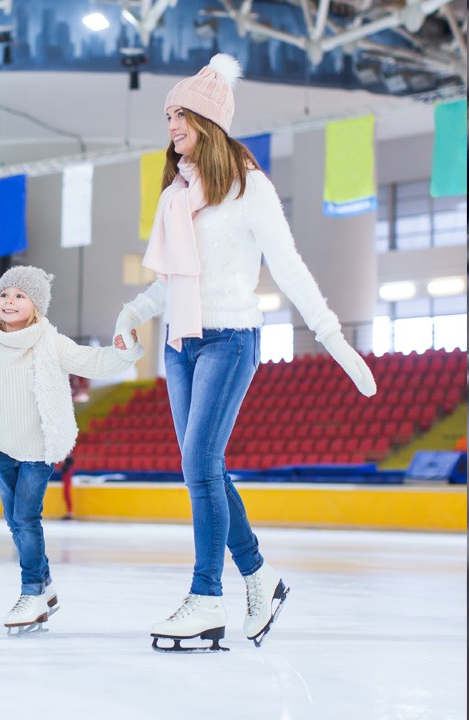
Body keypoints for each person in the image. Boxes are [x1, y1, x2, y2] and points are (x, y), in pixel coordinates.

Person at [114, 54, 377, 652]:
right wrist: (132, 313)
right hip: (180, 343)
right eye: (167, 116)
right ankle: (260, 576)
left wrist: (332, 336)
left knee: (200, 463)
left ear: (207, 120)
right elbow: (171, 281)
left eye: (179, 114)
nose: (170, 125)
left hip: (231, 339)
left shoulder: (248, 187)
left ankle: (207, 598)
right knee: (202, 468)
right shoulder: (176, 194)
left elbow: (288, 266)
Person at [0, 265, 142, 634]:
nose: (9, 301)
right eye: (4, 294)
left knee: (26, 519)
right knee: (15, 522)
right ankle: (46, 586)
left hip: (39, 449)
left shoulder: (50, 342)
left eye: (20, 295)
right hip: (2, 448)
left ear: (37, 305)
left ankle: (31, 592)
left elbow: (92, 362)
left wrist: (125, 353)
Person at [60, 455, 75, 520]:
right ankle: (69, 512)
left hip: (67, 482)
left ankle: (70, 513)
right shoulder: (68, 468)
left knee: (67, 496)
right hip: (66, 482)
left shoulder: (68, 468)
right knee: (66, 496)